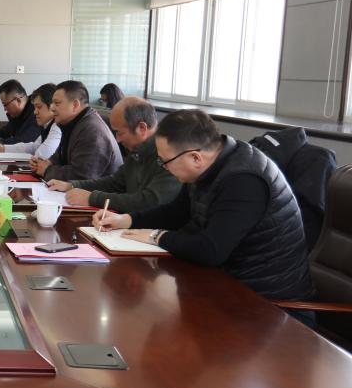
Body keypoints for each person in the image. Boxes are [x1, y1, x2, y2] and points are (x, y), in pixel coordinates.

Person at [93, 109, 316, 304]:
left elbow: (211, 250)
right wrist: (126, 220)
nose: (164, 168)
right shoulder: (212, 163)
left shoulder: (245, 180)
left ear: (195, 158)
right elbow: (177, 212)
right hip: (226, 284)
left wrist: (156, 236)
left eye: (165, 161)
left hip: (266, 303)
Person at [46, 97, 181, 213]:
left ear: (142, 128)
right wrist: (72, 185)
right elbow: (114, 182)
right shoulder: (137, 151)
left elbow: (149, 201)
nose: (118, 139)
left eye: (120, 132)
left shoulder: (170, 155)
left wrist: (92, 198)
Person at [33, 80, 122, 180]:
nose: (52, 108)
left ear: (75, 105)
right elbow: (60, 157)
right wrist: (47, 163)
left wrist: (47, 170)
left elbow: (82, 176)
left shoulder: (92, 130)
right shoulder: (71, 123)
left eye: (57, 103)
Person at [0, 83, 61, 159]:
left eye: (39, 107)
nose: (35, 112)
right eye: (35, 107)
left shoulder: (56, 126)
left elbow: (40, 156)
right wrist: (1, 147)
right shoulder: (47, 125)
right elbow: (33, 147)